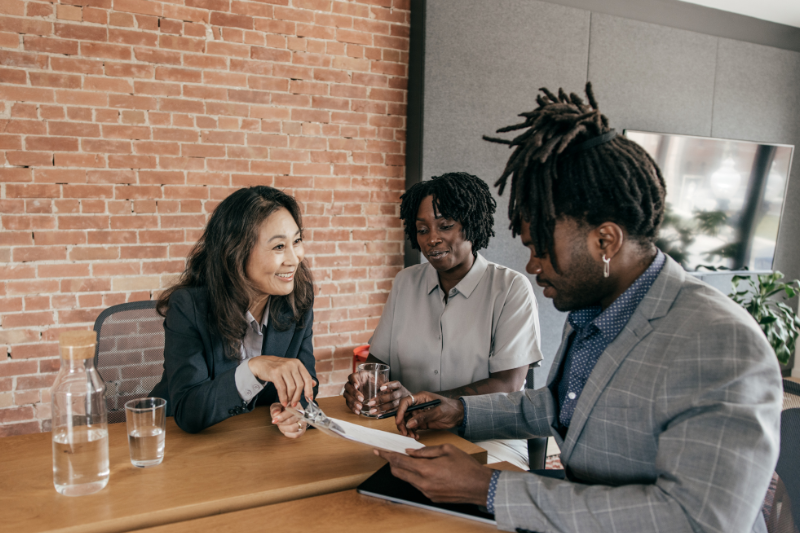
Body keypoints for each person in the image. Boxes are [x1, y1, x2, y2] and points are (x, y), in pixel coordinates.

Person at [375, 84, 783, 533]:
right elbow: (560, 406)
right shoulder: (594, 314)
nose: (532, 266)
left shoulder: (722, 344)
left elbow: (696, 520)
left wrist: (488, 489)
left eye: (543, 250)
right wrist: (460, 411)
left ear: (605, 241)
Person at [343, 172, 543, 469]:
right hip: (408, 433)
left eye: (445, 226)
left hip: (488, 438)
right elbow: (378, 363)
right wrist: (365, 385)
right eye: (422, 229)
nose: (432, 238)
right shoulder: (405, 283)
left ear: (472, 225)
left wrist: (421, 400)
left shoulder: (510, 288)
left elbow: (508, 384)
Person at [150, 186, 317, 436]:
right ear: (236, 253)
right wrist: (253, 369)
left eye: (296, 241)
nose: (295, 259)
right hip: (181, 445)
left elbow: (307, 386)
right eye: (279, 247)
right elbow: (188, 410)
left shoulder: (297, 300)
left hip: (255, 444)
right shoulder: (188, 307)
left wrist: (297, 412)